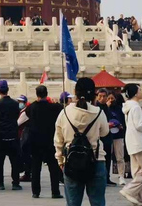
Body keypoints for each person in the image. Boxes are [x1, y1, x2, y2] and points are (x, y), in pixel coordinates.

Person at [54, 77, 110, 206]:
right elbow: (105, 132)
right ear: (94, 93)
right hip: (96, 160)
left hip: (71, 160)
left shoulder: (65, 112)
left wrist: (59, 159)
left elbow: (58, 139)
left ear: (75, 92)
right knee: (98, 202)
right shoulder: (98, 112)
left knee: (73, 203)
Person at [21, 85, 63, 198]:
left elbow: (26, 114)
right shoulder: (53, 107)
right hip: (50, 142)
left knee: (35, 168)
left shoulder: (32, 107)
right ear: (47, 94)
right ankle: (55, 192)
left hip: (35, 142)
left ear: (37, 94)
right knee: (53, 168)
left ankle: (36, 192)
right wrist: (56, 102)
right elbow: (61, 109)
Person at [119, 83, 142, 205]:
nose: (141, 91)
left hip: (132, 142)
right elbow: (140, 125)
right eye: (140, 90)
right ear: (135, 93)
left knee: (138, 172)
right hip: (139, 142)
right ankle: (129, 190)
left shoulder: (129, 106)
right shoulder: (135, 107)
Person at [0, 79, 22, 190]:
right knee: (14, 161)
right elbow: (17, 115)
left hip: (0, 136)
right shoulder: (15, 104)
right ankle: (15, 183)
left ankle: (0, 183)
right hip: (13, 135)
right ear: (8, 90)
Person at [106, 92, 127, 185]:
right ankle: (106, 176)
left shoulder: (120, 109)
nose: (111, 100)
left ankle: (121, 175)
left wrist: (121, 126)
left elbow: (124, 120)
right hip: (107, 135)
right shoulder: (104, 109)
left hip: (118, 135)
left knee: (120, 156)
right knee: (106, 157)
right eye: (109, 98)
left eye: (112, 98)